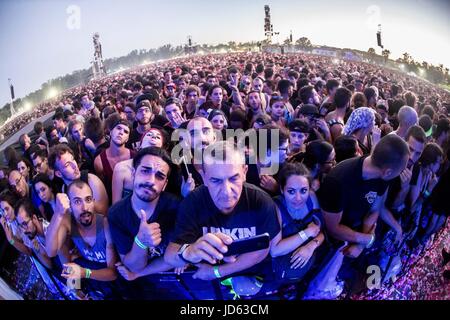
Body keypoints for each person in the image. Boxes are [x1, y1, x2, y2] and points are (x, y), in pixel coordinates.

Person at [165, 141, 280, 296]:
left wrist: (217, 272)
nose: (226, 191)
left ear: (245, 172)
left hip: (251, 275)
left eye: (233, 179)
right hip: (206, 278)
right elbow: (170, 255)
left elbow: (261, 250)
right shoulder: (193, 203)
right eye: (216, 180)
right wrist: (188, 253)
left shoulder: (261, 201)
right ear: (204, 178)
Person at [317, 134, 409, 285]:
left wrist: (360, 243)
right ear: (388, 172)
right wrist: (365, 239)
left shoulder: (382, 178)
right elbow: (333, 228)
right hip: (331, 243)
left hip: (357, 236)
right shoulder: (339, 180)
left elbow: (375, 209)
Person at [108, 147, 181, 299]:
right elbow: (131, 265)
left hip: (177, 283)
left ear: (165, 184)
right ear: (133, 173)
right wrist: (141, 242)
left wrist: (137, 274)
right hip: (141, 287)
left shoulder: (176, 207)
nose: (150, 181)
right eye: (145, 171)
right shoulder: (117, 214)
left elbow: (177, 258)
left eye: (159, 176)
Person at [45, 180, 118, 297]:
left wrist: (84, 273)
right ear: (70, 206)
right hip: (89, 276)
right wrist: (58, 213)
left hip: (108, 279)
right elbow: (50, 251)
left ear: (93, 202)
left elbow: (113, 273)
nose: (84, 207)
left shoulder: (106, 225)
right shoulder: (69, 221)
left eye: (88, 199)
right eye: (77, 201)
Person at [270, 163, 325, 283]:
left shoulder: (311, 198)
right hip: (281, 269)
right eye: (291, 191)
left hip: (311, 259)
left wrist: (310, 246)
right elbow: (274, 251)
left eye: (303, 190)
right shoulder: (276, 207)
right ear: (281, 189)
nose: (298, 198)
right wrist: (307, 233)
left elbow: (321, 232)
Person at [48, 144, 109, 215]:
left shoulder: (91, 180)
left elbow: (103, 213)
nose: (74, 166)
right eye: (67, 165)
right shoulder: (64, 189)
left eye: (73, 159)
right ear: (59, 174)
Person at [94, 119, 134, 201]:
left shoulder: (135, 157)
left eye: (126, 131)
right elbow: (102, 191)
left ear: (127, 139)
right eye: (118, 128)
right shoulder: (99, 161)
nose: (121, 132)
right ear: (111, 132)